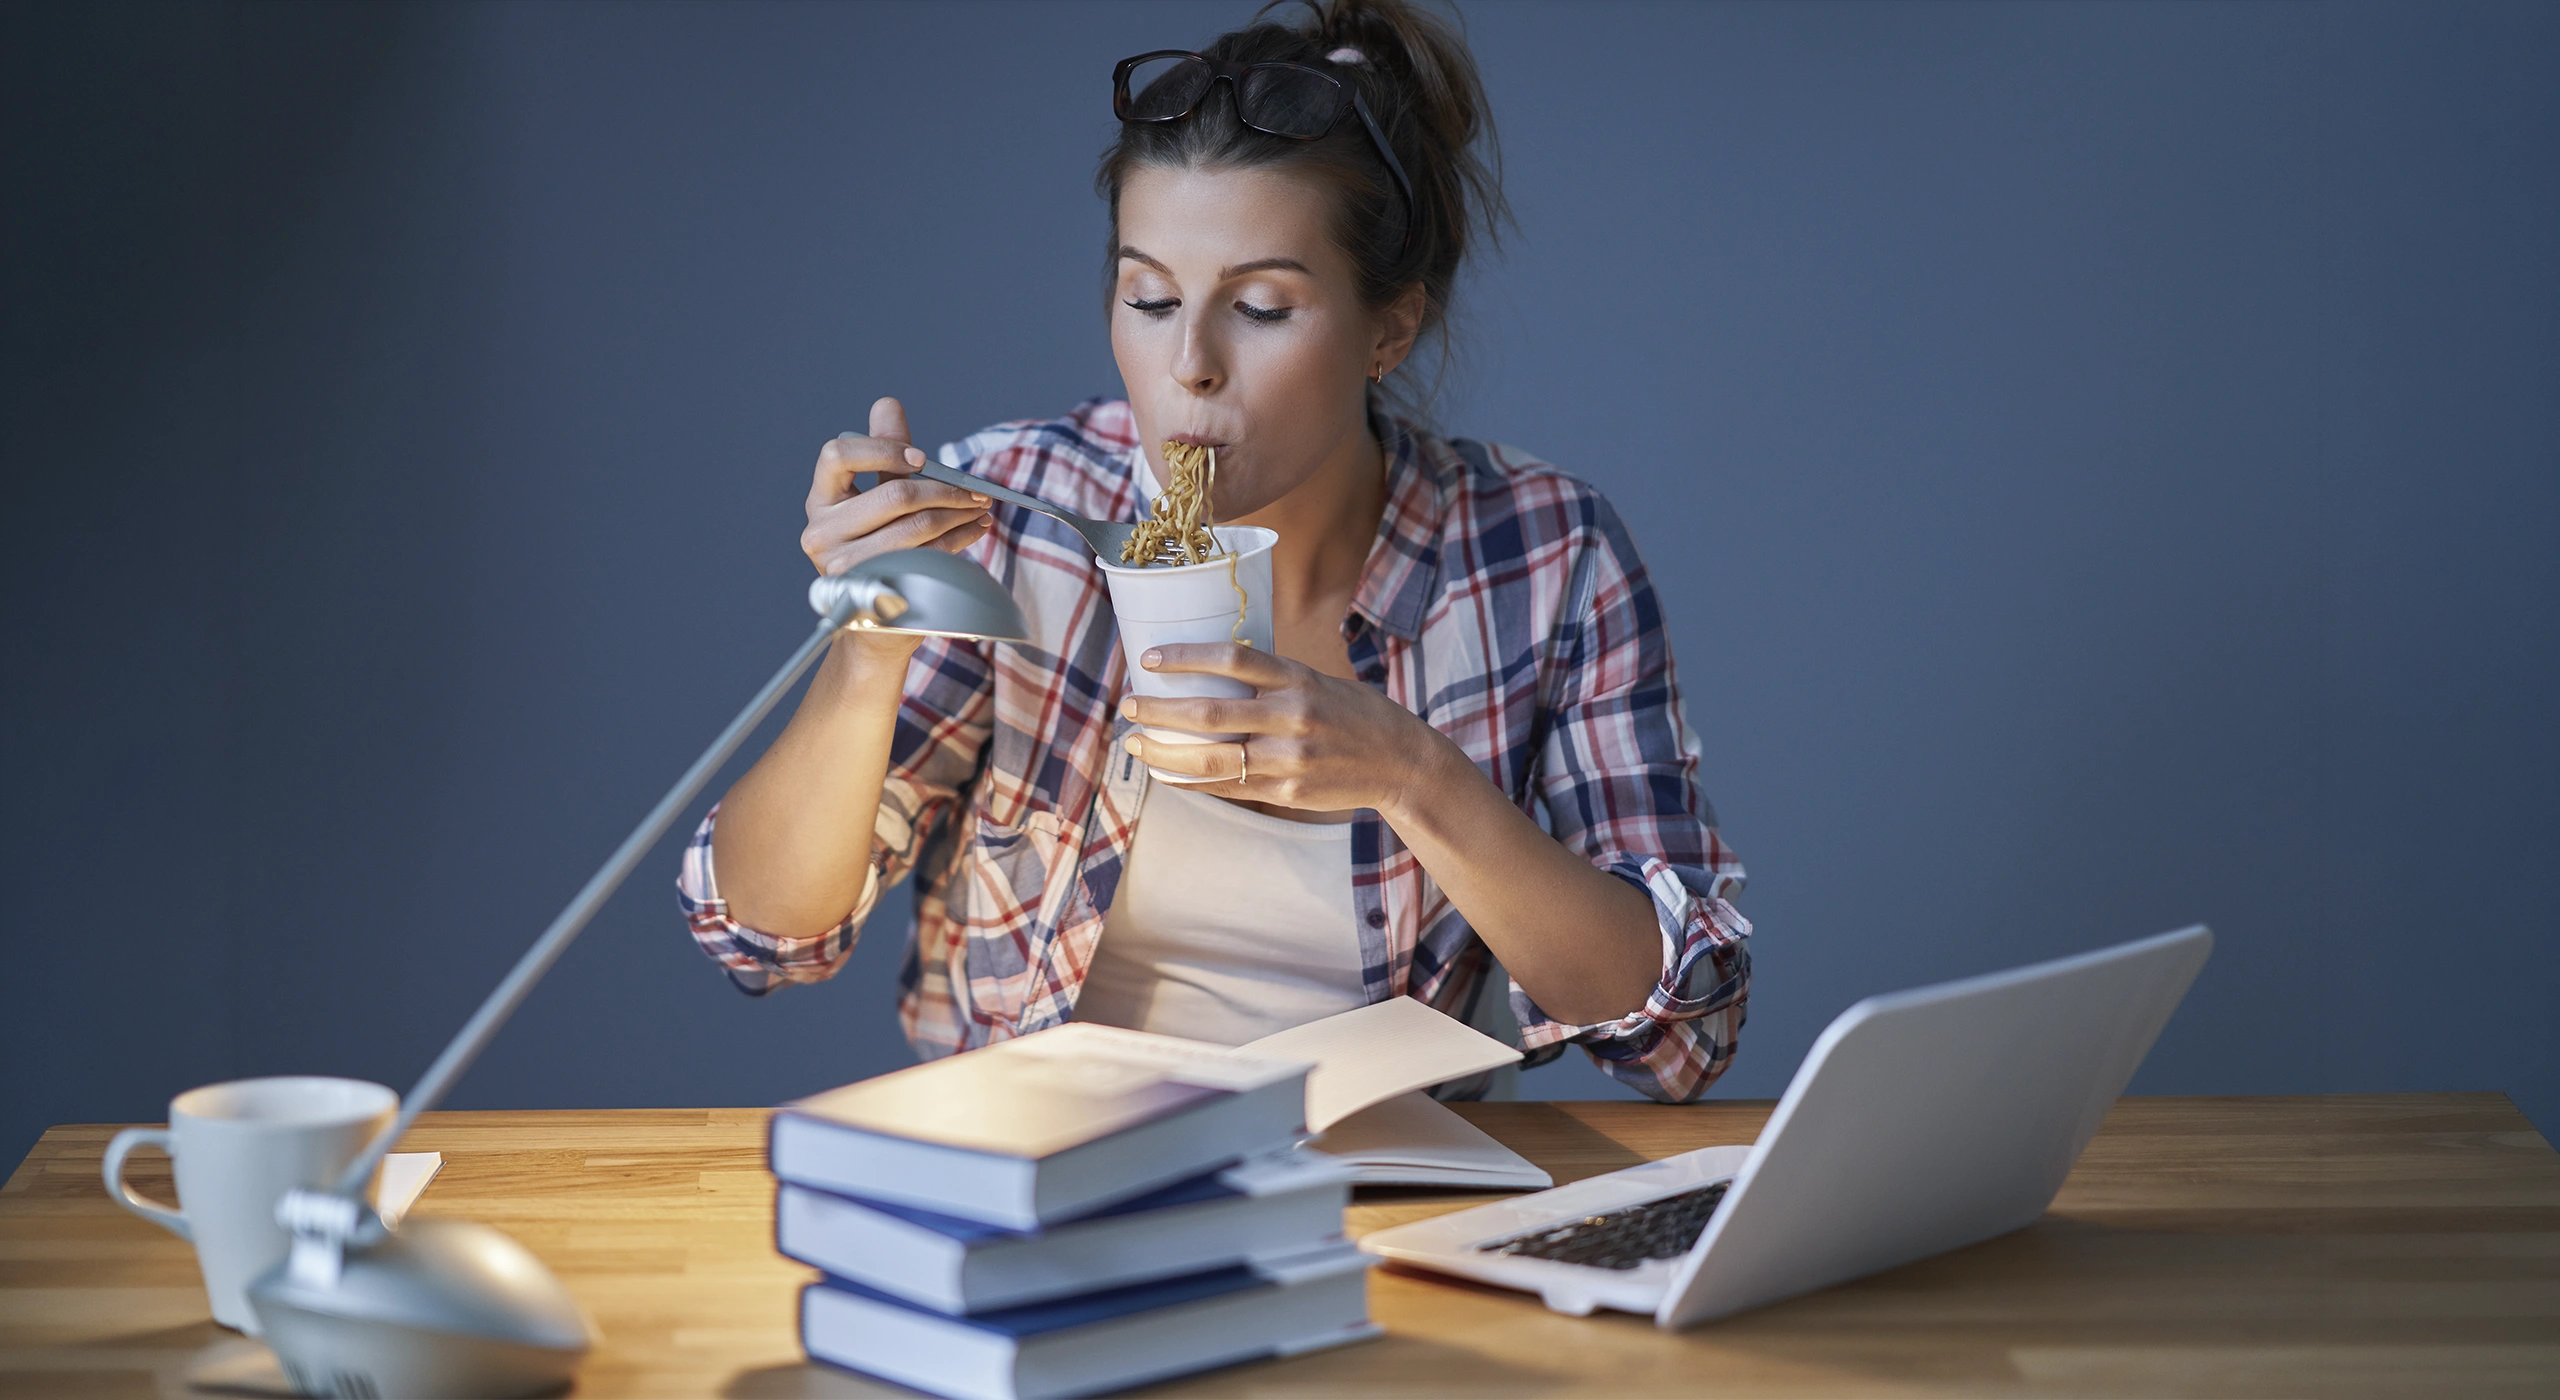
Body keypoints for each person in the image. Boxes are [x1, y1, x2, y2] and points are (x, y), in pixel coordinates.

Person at [681, 0, 1750, 1102]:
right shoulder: (1015, 513)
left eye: (1262, 307)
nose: (1189, 361)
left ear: (1389, 329)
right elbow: (760, 933)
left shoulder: (1545, 553)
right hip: (1034, 1160)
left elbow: (1684, 1037)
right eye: (1149, 297)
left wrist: (1411, 773)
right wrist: (869, 644)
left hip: (1376, 1181)